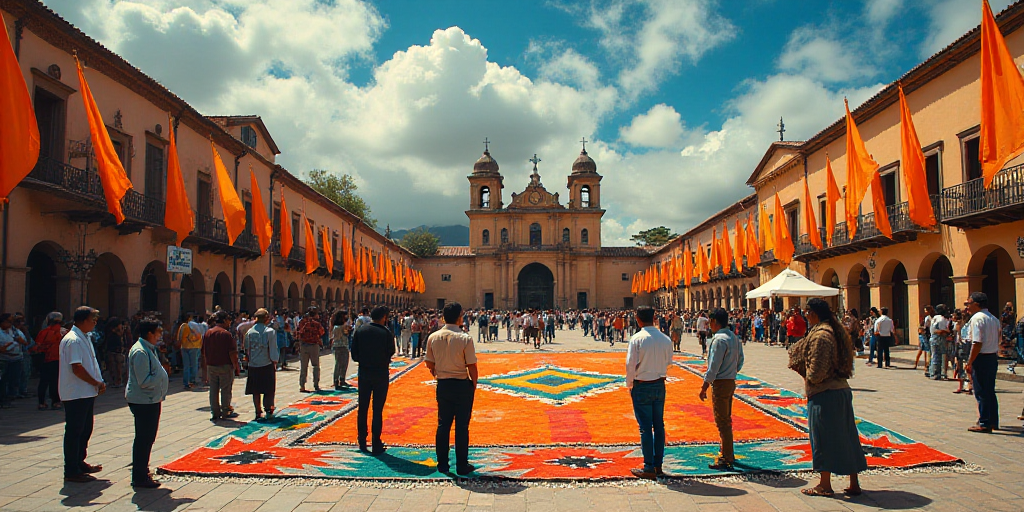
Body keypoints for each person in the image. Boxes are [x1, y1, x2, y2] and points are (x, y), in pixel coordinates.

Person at [788, 298, 867, 498]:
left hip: (825, 393)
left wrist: (806, 373)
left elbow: (817, 371)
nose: (805, 316)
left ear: (813, 313)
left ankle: (824, 484)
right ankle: (853, 481)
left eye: (806, 312)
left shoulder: (821, 336)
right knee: (847, 435)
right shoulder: (834, 331)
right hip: (840, 390)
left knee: (823, 438)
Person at [425, 302, 479, 475]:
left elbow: (429, 362)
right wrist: (473, 384)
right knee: (462, 427)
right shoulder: (465, 338)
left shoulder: (433, 337)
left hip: (443, 385)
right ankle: (462, 465)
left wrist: (437, 372)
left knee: (443, 425)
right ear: (459, 317)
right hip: (462, 384)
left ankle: (442, 464)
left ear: (443, 317)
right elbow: (472, 366)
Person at [625, 306, 673, 480]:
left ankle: (648, 467)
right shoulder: (666, 339)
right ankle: (658, 465)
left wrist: (630, 384)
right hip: (659, 385)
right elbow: (669, 363)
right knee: (659, 426)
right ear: (654, 318)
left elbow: (630, 365)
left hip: (642, 386)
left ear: (638, 319)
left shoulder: (637, 339)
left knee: (645, 428)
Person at [59, 306, 106, 483]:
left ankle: (79, 461)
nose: (95, 323)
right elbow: (77, 367)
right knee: (74, 431)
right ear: (82, 320)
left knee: (85, 429)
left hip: (86, 392)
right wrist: (95, 382)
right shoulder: (73, 340)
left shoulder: (84, 337)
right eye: (93, 319)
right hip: (76, 392)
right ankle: (71, 469)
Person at [125, 318, 169, 489]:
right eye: (158, 332)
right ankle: (139, 475)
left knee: (147, 438)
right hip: (144, 401)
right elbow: (144, 380)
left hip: (150, 399)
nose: (160, 336)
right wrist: (162, 372)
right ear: (149, 333)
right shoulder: (140, 352)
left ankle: (142, 471)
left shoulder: (149, 349)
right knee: (144, 438)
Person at [700, 307, 744, 471]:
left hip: (720, 382)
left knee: (722, 420)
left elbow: (713, 367)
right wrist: (732, 371)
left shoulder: (718, 340)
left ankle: (726, 457)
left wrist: (704, 386)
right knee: (726, 417)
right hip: (730, 380)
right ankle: (726, 450)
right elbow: (740, 361)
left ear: (713, 321)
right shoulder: (734, 338)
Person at [350, 306, 395, 454]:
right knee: (377, 409)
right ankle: (376, 443)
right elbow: (391, 351)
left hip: (364, 372)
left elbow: (354, 354)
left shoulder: (361, 330)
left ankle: (362, 441)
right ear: (383, 317)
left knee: (362, 408)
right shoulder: (385, 332)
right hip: (381, 373)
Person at [964, 292, 1001, 433]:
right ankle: (993, 420)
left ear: (977, 304)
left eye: (969, 303)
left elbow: (977, 342)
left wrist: (969, 362)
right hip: (992, 356)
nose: (967, 307)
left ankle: (984, 422)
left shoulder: (977, 319)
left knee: (981, 391)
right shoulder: (993, 318)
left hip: (981, 357)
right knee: (990, 390)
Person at [202, 311, 239, 422]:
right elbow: (232, 352)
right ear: (224, 320)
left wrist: (204, 369)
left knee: (213, 389)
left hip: (211, 365)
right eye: (228, 320)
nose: (229, 323)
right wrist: (236, 366)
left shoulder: (208, 333)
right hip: (225, 365)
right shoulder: (226, 334)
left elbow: (204, 352)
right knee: (225, 389)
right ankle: (225, 410)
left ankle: (215, 412)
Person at [245, 309, 279, 421]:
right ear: (266, 318)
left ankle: (257, 410)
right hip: (266, 363)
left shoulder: (249, 332)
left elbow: (247, 349)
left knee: (256, 390)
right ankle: (268, 409)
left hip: (253, 364)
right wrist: (275, 360)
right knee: (268, 389)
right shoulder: (270, 331)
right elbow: (273, 348)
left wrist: (248, 361)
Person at [33, 312, 65, 410]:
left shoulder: (43, 332)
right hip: (59, 360)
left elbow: (37, 346)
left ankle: (41, 402)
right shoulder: (64, 332)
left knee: (43, 381)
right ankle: (56, 402)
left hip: (45, 359)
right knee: (56, 381)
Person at [297, 308, 325, 393]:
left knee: (303, 366)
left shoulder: (302, 322)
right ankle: (316, 384)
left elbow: (297, 332)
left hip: (304, 345)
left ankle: (302, 385)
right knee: (315, 366)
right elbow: (322, 332)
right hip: (314, 345)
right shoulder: (316, 324)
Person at [178, 313, 202, 389]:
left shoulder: (181, 326)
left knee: (186, 366)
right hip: (193, 346)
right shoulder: (191, 325)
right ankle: (192, 380)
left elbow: (179, 338)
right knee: (194, 364)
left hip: (184, 347)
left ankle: (186, 382)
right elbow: (198, 335)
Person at [928, 305, 950, 380]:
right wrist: (947, 331)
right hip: (939, 338)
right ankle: (936, 373)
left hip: (932, 338)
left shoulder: (934, 318)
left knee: (934, 355)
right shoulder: (942, 319)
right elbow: (940, 331)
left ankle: (932, 372)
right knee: (939, 356)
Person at [332, 311, 352, 389]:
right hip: (339, 346)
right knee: (338, 364)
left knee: (344, 363)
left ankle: (342, 379)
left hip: (344, 346)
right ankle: (336, 381)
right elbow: (339, 336)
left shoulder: (342, 326)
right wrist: (345, 329)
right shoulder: (337, 327)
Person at [915, 306, 934, 371]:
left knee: (925, 351)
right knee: (927, 351)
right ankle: (926, 365)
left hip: (926, 335)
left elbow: (925, 327)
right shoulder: (933, 317)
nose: (925, 312)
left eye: (925, 310)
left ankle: (925, 365)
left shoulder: (928, 318)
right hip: (929, 335)